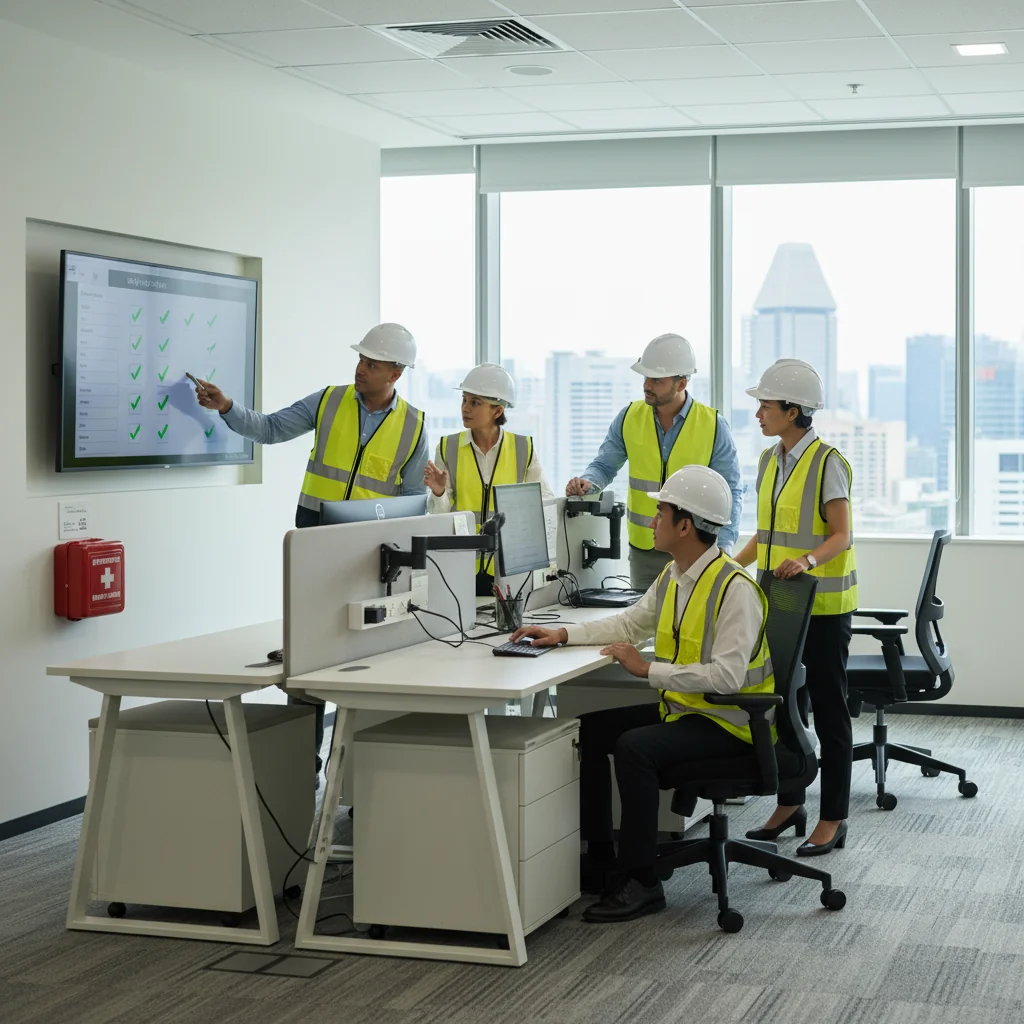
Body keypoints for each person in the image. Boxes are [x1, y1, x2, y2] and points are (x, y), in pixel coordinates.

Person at [511, 465, 773, 923]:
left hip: (732, 724)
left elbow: (729, 678)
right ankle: (601, 858)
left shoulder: (736, 589)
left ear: (685, 524)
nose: (652, 521)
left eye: (660, 513)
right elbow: (630, 622)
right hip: (687, 710)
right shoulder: (677, 574)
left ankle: (643, 880)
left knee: (635, 748)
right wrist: (562, 634)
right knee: (591, 730)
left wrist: (647, 669)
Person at [193, 322, 429, 779]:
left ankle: (359, 772)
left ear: (395, 374)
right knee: (306, 649)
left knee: (366, 654)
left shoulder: (414, 425)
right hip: (314, 538)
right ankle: (303, 763)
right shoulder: (329, 400)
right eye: (360, 360)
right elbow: (271, 428)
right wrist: (226, 407)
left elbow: (413, 501)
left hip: (371, 552)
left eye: (372, 363)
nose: (360, 369)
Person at [732, 358, 857, 857]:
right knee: (783, 704)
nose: (758, 413)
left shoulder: (829, 463)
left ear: (794, 410)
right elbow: (765, 534)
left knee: (829, 712)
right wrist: (731, 567)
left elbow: (841, 535)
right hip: (779, 605)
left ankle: (833, 818)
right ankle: (790, 805)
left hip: (824, 607)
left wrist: (806, 560)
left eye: (765, 405)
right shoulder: (769, 461)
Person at [564, 334, 742, 592]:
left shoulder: (713, 425)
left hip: (695, 550)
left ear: (681, 383)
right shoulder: (629, 417)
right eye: (645, 378)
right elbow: (603, 466)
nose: (647, 385)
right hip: (645, 549)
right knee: (642, 627)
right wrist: (587, 484)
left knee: (689, 626)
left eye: (656, 380)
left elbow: (732, 490)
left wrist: (724, 545)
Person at [424, 363, 554, 594]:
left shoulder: (523, 447)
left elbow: (543, 500)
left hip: (507, 566)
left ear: (497, 411)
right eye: (464, 400)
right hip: (461, 564)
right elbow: (440, 516)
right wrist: (439, 492)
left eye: (475, 402)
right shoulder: (447, 446)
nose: (465, 408)